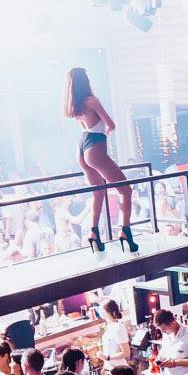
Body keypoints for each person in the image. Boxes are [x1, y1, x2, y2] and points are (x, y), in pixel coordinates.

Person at [64, 67, 136, 253]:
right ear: (84, 81)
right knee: (126, 191)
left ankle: (94, 232)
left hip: (82, 147)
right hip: (95, 147)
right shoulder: (91, 101)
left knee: (98, 192)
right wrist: (107, 129)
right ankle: (125, 231)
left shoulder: (74, 105)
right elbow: (111, 124)